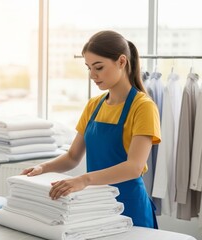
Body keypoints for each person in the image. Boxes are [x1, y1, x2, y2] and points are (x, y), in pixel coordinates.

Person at [21, 30, 161, 228]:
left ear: (122, 62)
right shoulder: (93, 106)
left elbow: (134, 167)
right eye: (88, 68)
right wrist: (43, 168)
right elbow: (72, 157)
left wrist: (84, 180)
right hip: (96, 204)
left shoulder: (143, 107)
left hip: (130, 205)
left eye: (99, 67)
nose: (92, 75)